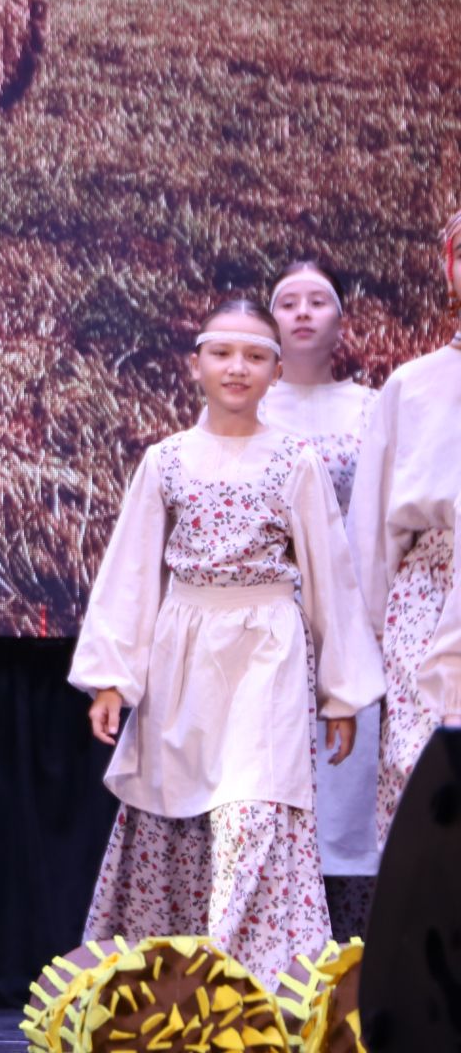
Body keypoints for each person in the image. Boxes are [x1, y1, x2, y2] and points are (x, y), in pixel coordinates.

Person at [72, 299, 385, 984]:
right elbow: (132, 570)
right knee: (174, 814)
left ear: (276, 371)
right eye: (222, 353)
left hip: (267, 651)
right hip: (183, 653)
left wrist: (341, 693)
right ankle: (173, 991)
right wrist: (111, 679)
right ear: (196, 365)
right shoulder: (167, 461)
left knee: (255, 809)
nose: (236, 368)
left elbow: (329, 574)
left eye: (253, 356)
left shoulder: (294, 460)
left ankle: (255, 986)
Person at [260, 260, 382, 936]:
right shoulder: (243, 403)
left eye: (319, 301)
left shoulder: (369, 408)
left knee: (345, 790)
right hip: (259, 620)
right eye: (288, 302)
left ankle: (346, 966)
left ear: (341, 319)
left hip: (345, 619)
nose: (303, 313)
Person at [347, 211, 461, 853]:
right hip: (430, 589)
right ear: (449, 267)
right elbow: (371, 526)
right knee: (422, 770)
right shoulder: (409, 386)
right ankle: (424, 945)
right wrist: (370, 642)